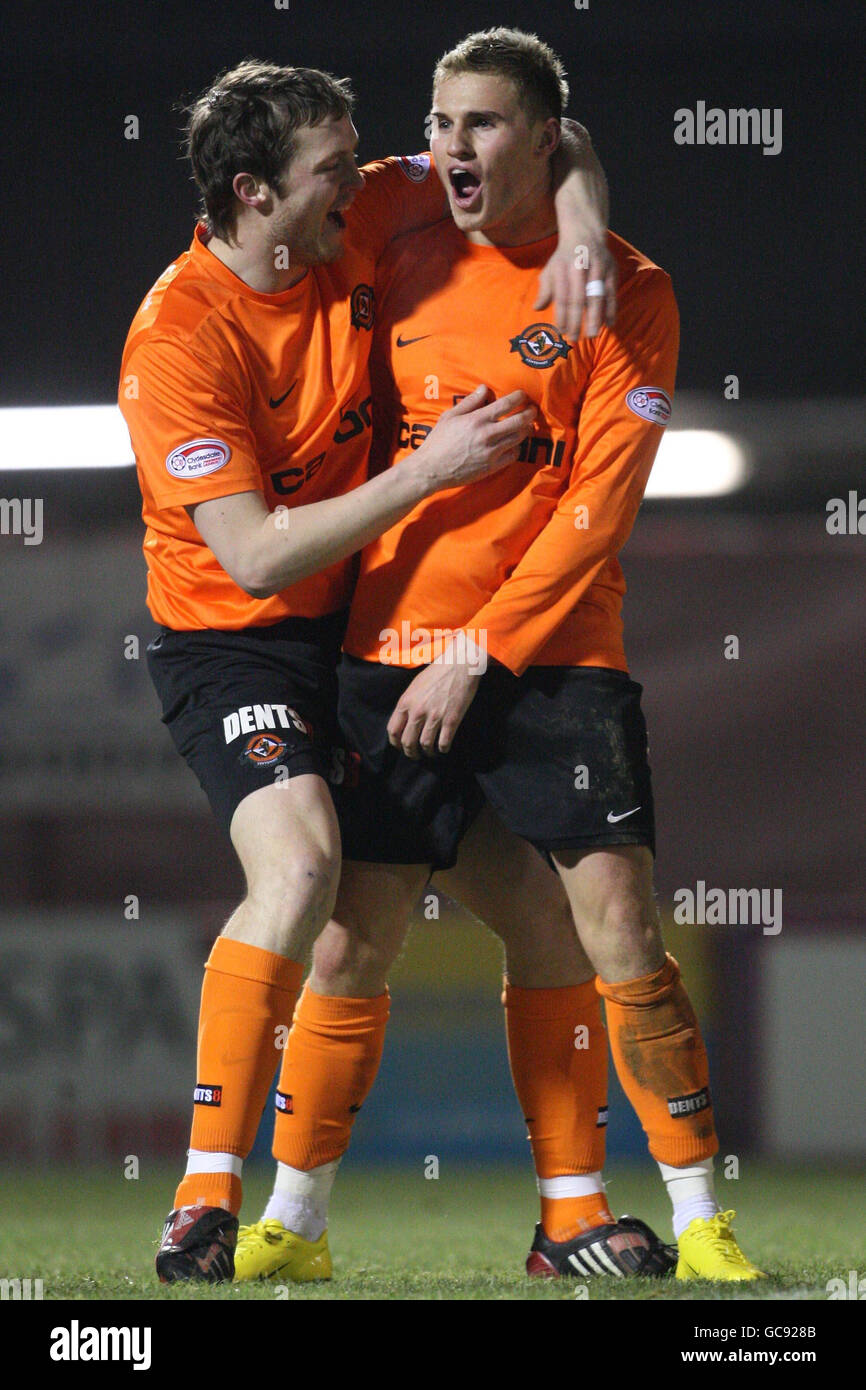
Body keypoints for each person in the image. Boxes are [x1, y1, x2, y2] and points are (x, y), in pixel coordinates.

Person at [234, 28, 765, 1285]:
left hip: (554, 656)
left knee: (620, 925)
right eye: (436, 122)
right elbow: (278, 209)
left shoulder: (627, 289)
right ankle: (292, 1223)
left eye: (480, 124)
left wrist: (480, 646)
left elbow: (598, 507)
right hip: (384, 648)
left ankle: (698, 1218)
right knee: (350, 940)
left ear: (538, 136)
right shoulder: (392, 219)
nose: (447, 147)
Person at [117, 56, 611, 1283]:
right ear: (252, 192)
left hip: (364, 640)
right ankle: (204, 1201)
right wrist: (426, 473)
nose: (373, 177)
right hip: (234, 642)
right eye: (335, 167)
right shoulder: (180, 334)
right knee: (301, 869)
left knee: (532, 914)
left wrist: (584, 226)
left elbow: (553, 140)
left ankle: (567, 1217)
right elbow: (249, 552)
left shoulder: (365, 210)